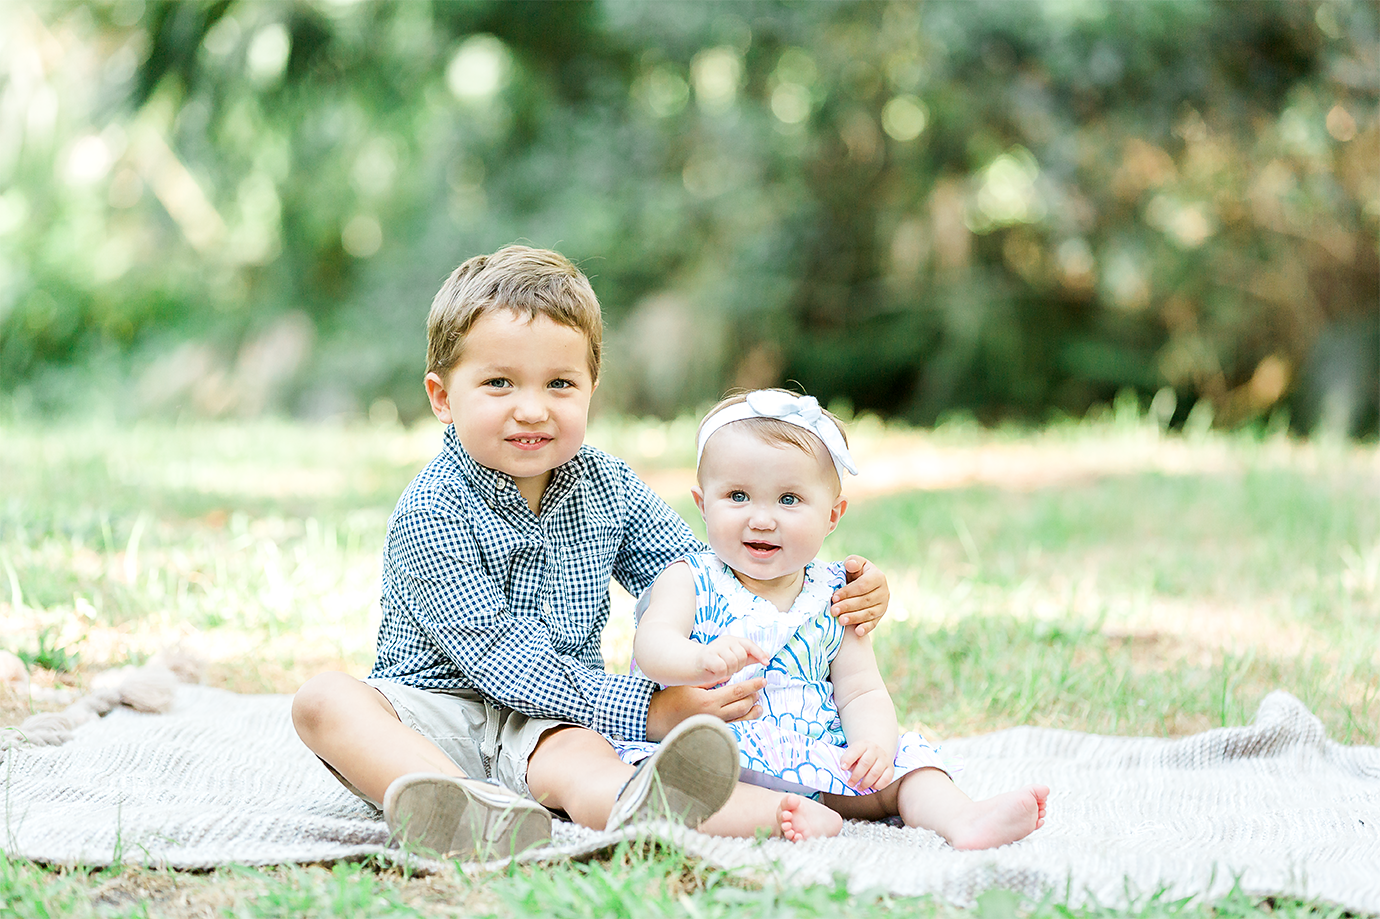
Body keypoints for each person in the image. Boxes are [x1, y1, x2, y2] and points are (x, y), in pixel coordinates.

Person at [290, 246, 893, 860]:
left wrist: (825, 583)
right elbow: (497, 659)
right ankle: (457, 803)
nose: (533, 408)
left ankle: (729, 808)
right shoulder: (433, 509)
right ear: (443, 397)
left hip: (553, 724)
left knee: (591, 770)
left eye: (559, 384)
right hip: (435, 715)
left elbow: (693, 575)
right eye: (499, 383)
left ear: (590, 390)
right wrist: (650, 710)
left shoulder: (608, 486)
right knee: (324, 701)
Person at [615, 389, 1050, 847]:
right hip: (715, 752)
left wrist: (874, 745)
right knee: (667, 787)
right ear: (703, 505)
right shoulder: (688, 577)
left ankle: (963, 818)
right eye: (738, 496)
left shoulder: (835, 594)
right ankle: (774, 816)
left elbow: (861, 688)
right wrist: (697, 660)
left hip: (814, 757)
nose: (762, 519)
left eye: (789, 499)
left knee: (909, 767)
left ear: (832, 516)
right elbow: (652, 643)